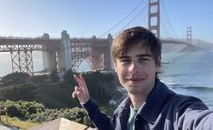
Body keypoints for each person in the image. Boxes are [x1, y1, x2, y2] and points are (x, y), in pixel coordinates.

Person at [72, 26, 213, 130]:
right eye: (126, 60)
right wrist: (87, 102)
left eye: (143, 59)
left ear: (157, 63)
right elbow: (111, 128)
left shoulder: (178, 111)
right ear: (115, 66)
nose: (133, 68)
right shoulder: (123, 109)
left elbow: (201, 121)